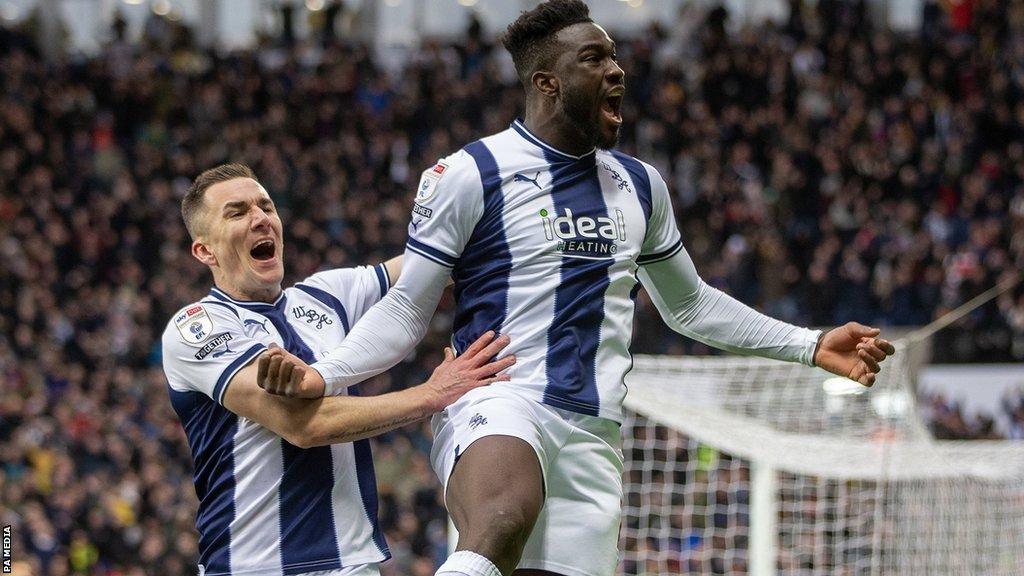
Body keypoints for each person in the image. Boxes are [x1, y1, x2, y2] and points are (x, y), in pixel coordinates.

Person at [259, 2, 897, 575]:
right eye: (595, 59)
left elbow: (690, 304)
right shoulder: (470, 173)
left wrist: (810, 344)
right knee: (502, 520)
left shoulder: (641, 186)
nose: (617, 71)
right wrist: (326, 374)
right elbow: (404, 309)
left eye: (615, 57)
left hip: (593, 430)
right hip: (502, 399)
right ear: (547, 83)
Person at [160, 163, 515, 576]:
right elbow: (303, 425)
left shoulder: (327, 295)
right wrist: (432, 393)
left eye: (266, 206)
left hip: (352, 563)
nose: (260, 218)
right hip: (255, 566)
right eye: (237, 212)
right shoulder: (196, 327)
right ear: (205, 251)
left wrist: (502, 204)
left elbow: (435, 262)